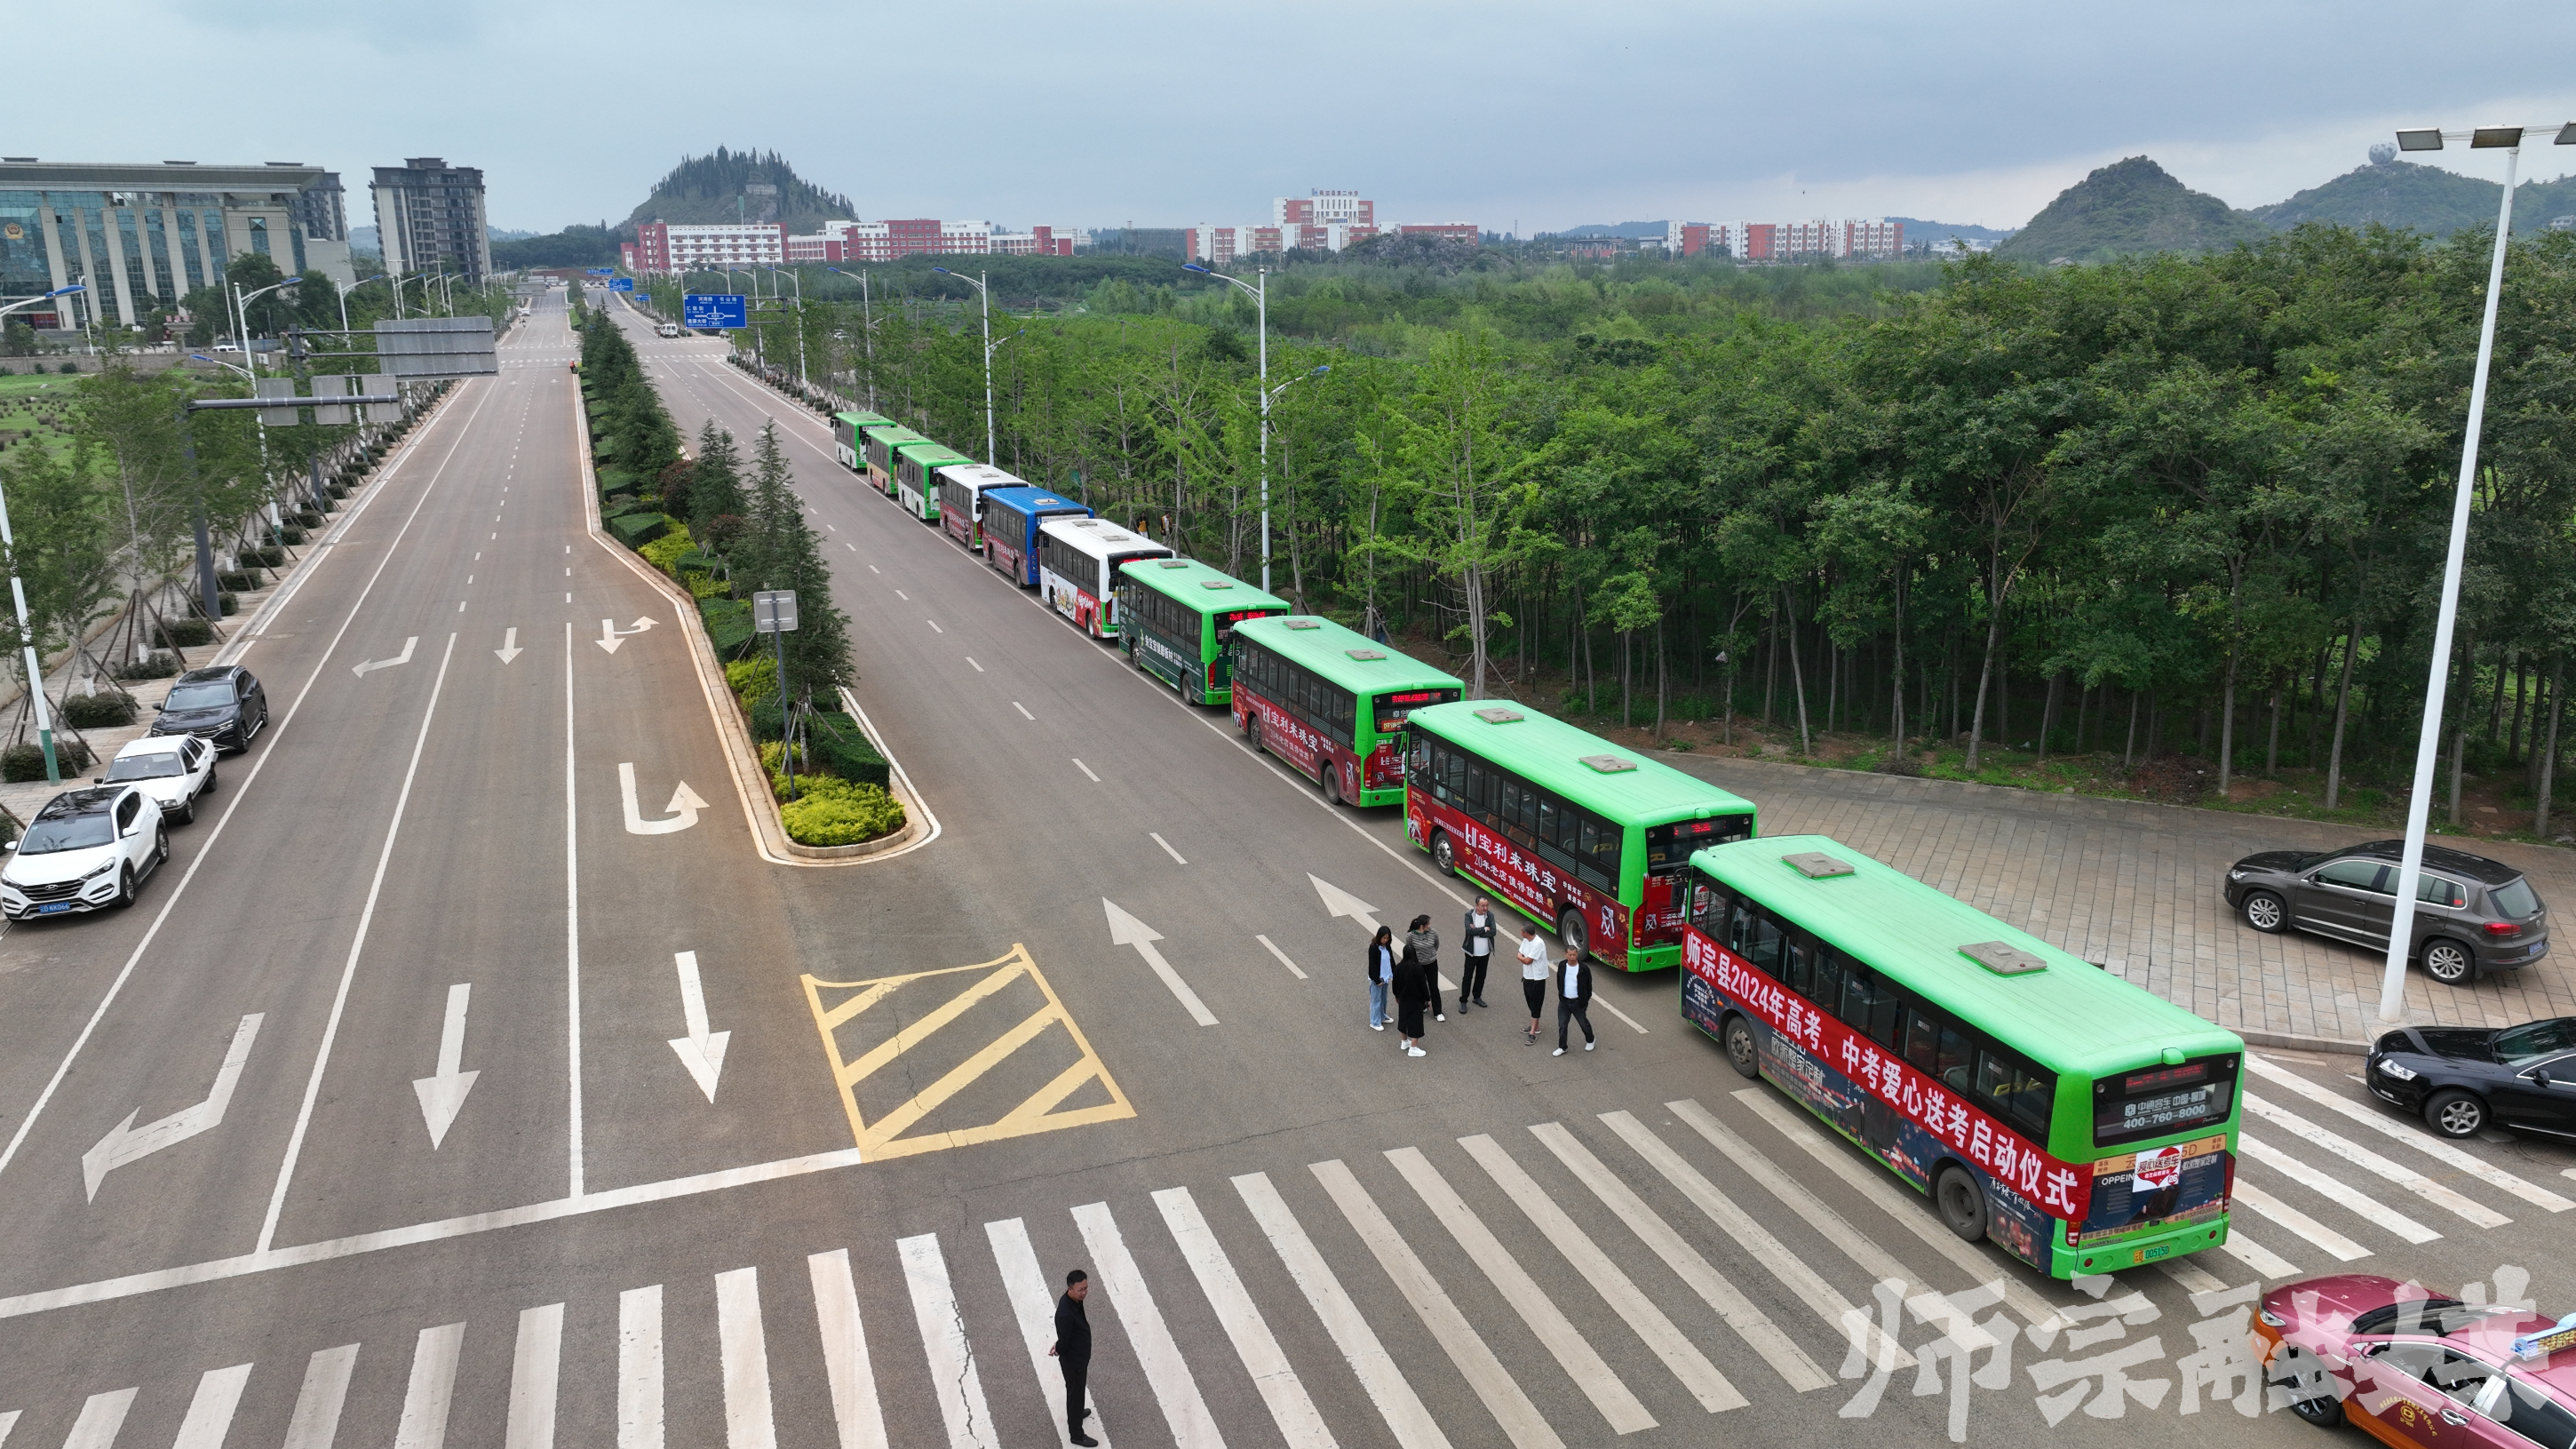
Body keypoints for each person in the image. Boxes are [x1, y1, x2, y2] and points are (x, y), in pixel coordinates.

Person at [1048, 1268, 1098, 1446]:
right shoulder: (1065, 1314)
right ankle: (1076, 1435)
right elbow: (1064, 1341)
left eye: (1086, 1288)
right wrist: (1058, 1347)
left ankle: (1076, 1414)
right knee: (1075, 1395)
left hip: (1080, 1357)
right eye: (1080, 1289)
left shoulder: (1075, 1300)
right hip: (1074, 1362)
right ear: (1070, 1288)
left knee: (1077, 1392)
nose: (1084, 1292)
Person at [1392, 928, 1430, 1056]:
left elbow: (1395, 984)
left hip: (1403, 999)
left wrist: (1397, 995)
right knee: (1415, 1023)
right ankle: (1413, 1048)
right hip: (1415, 1000)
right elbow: (1423, 985)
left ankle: (1404, 1041)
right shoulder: (1418, 969)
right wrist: (1427, 998)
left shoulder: (1398, 967)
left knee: (1403, 1019)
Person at [1554, 943, 1595, 1055]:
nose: (1572, 957)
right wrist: (1561, 995)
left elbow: (1588, 986)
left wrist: (1584, 1001)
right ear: (1566, 955)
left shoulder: (1584, 968)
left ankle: (1590, 1040)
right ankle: (1563, 1047)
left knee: (1583, 1023)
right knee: (1562, 1025)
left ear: (1577, 955)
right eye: (1570, 955)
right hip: (1564, 1002)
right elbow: (1559, 981)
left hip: (1578, 1002)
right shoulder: (1562, 965)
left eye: (1574, 955)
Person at [1516, 923, 1551, 1045]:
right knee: (1530, 1001)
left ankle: (1533, 1033)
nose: (1520, 933)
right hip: (1527, 976)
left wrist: (1520, 957)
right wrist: (1521, 957)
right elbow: (1520, 953)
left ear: (1526, 932)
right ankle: (1536, 1026)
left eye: (1521, 931)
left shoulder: (1538, 943)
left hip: (1537, 978)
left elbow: (1527, 960)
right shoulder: (1526, 940)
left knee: (1536, 1004)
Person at [1405, 914, 1444, 1022]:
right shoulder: (1410, 936)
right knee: (1419, 986)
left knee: (1433, 987)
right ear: (1422, 926)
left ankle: (1438, 1012)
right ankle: (1422, 1005)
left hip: (1431, 964)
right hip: (1418, 965)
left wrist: (1431, 955)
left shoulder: (1433, 933)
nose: (1430, 926)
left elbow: (1436, 945)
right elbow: (1410, 949)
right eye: (1428, 924)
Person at [1460, 898, 1497, 1008]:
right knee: (1467, 977)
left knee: (1481, 976)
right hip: (1471, 953)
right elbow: (1469, 931)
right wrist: (1485, 929)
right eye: (1483, 906)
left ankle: (1477, 997)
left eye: (1487, 905)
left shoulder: (1490, 915)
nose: (1485, 908)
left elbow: (1493, 932)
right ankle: (1463, 1000)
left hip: (1485, 953)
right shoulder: (1469, 915)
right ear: (1476, 905)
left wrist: (1477, 932)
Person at [1366, 925, 1396, 1031]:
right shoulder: (1373, 947)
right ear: (1379, 937)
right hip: (1377, 978)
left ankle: (1382, 1016)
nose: (1386, 940)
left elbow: (1391, 960)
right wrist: (1377, 980)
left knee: (1383, 998)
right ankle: (1374, 1022)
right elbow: (1373, 965)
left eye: (1387, 938)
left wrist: (1394, 973)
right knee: (1376, 1000)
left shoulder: (1387, 946)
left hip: (1386, 977)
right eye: (1384, 938)